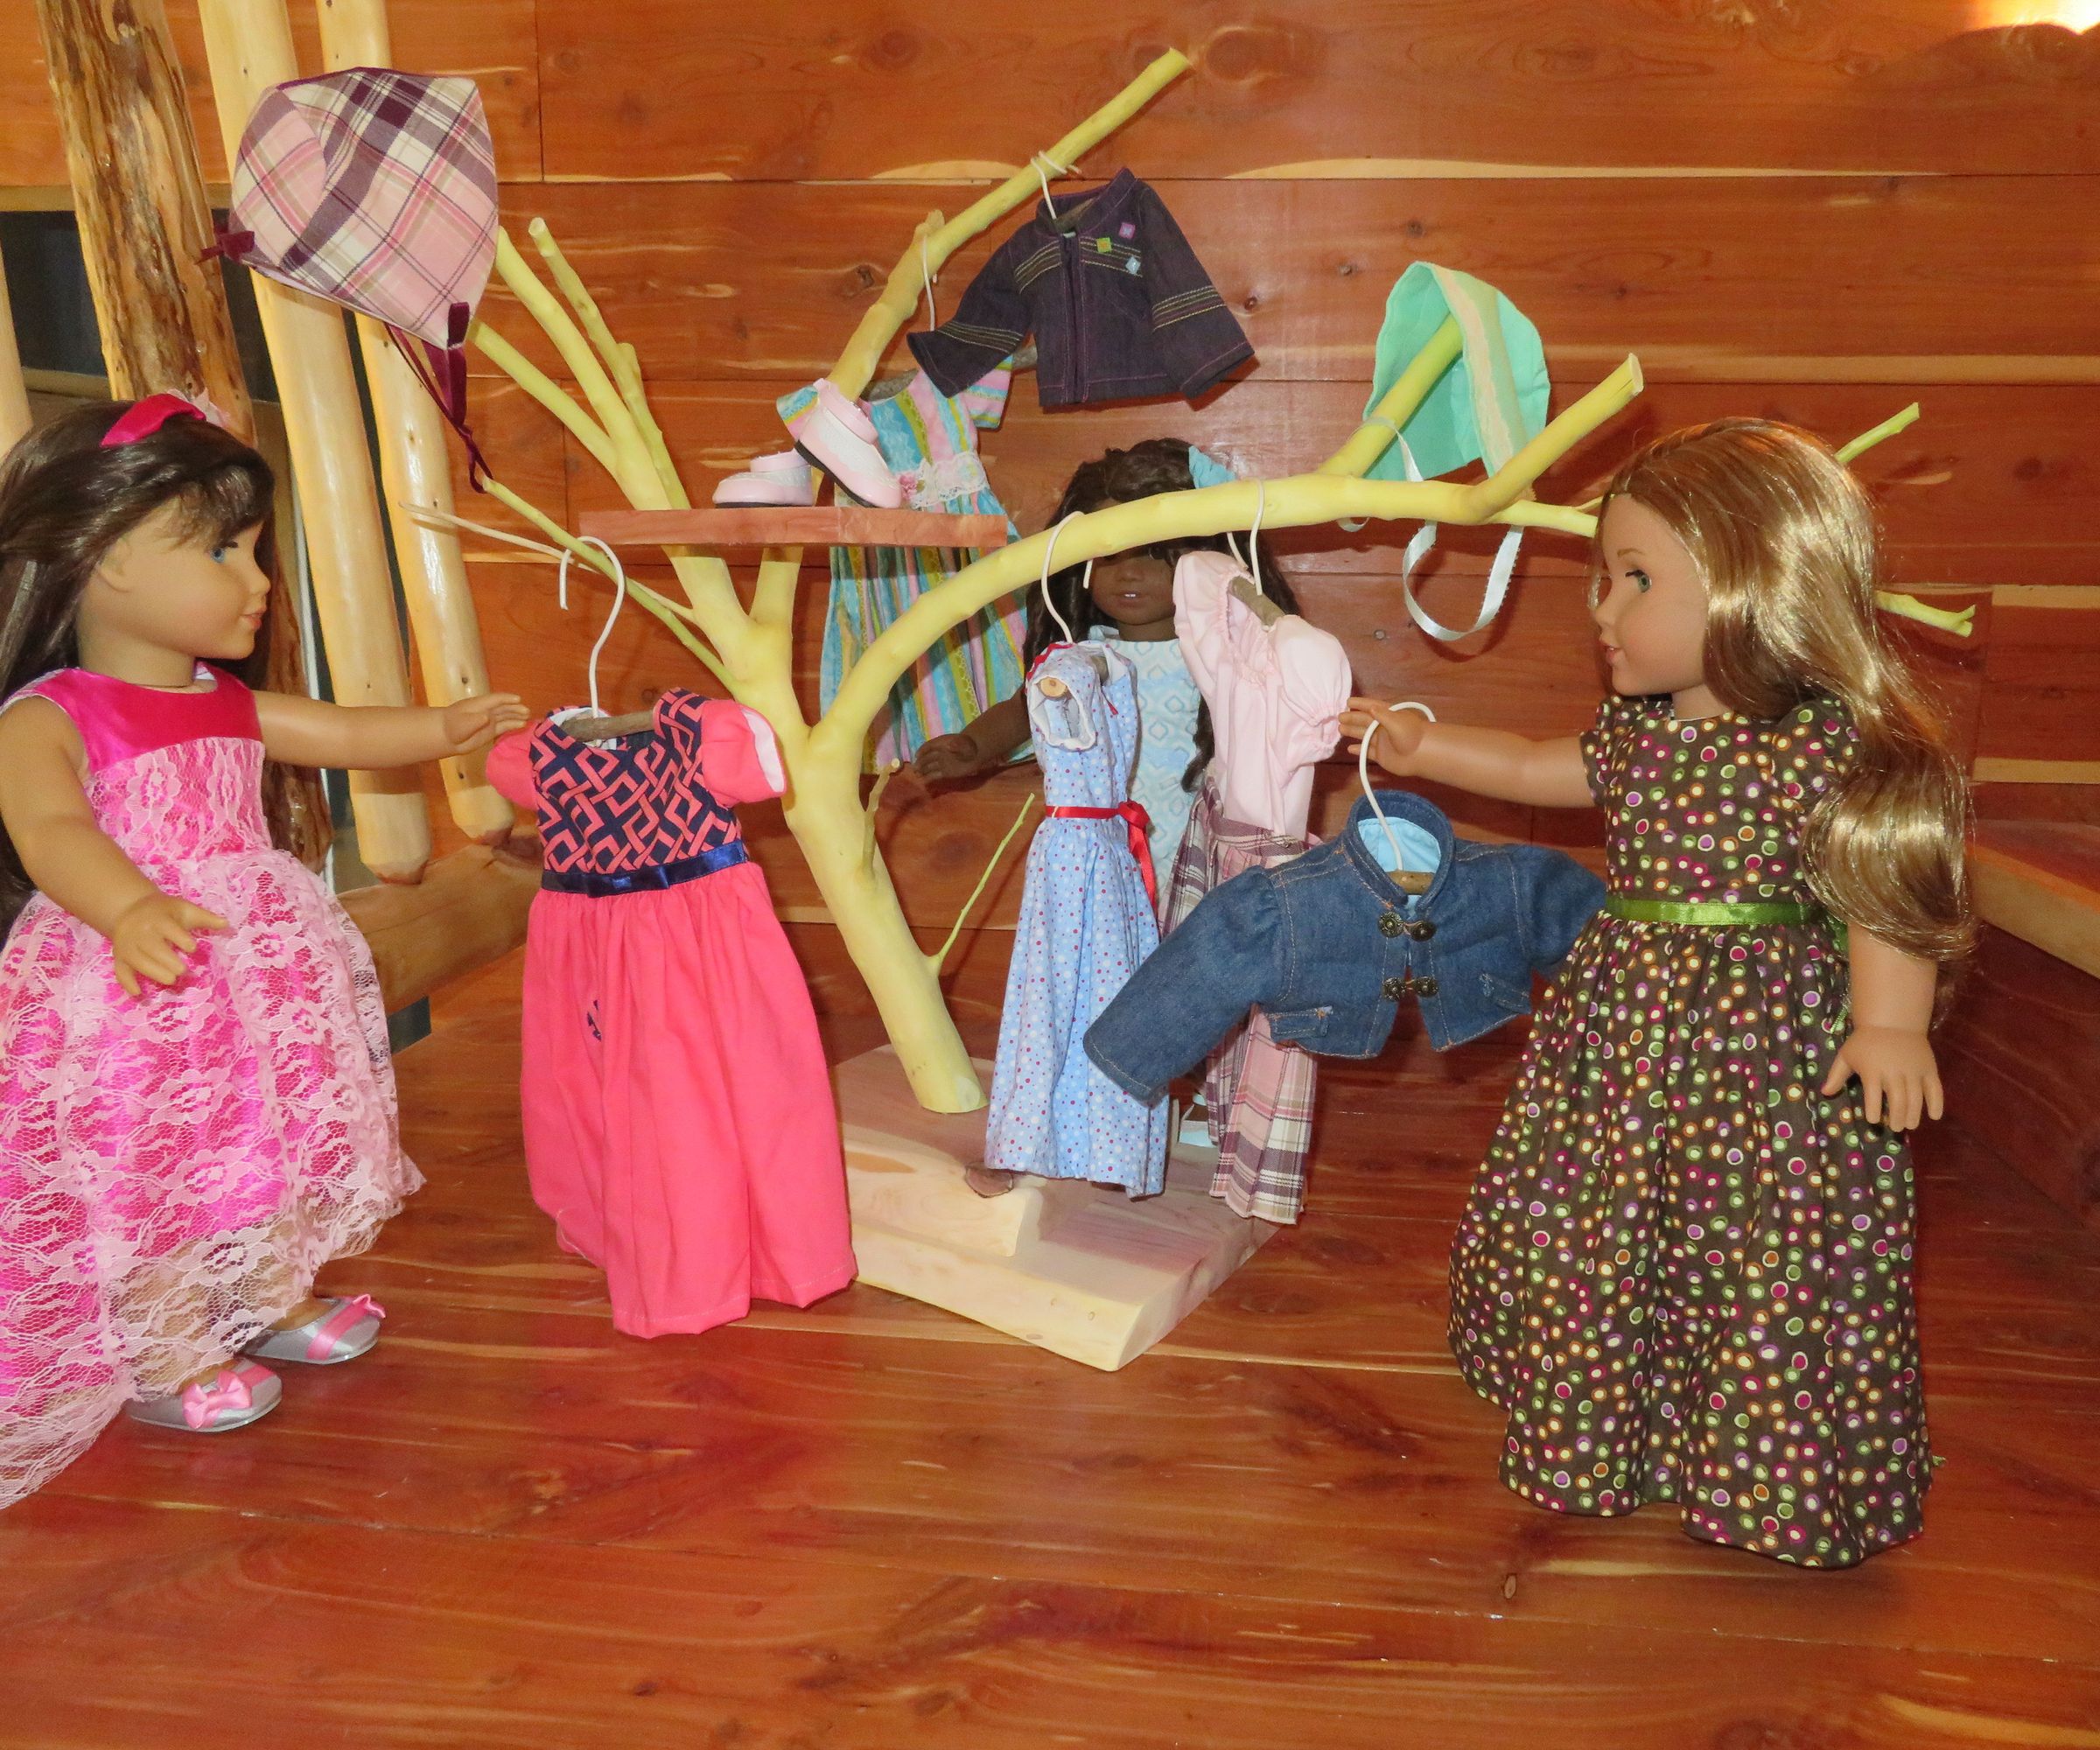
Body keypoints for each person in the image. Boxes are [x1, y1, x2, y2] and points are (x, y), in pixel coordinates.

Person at [1343, 417, 1971, 1567]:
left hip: (1769, 1054)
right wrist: (1424, 747)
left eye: (1637, 578)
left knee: (1758, 1242)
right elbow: (1537, 765)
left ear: (1756, 581)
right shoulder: (1635, 738)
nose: (1603, 610)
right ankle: (1605, 1411)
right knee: (1606, 1217)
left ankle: (1754, 1441)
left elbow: (1879, 891)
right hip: (1623, 1039)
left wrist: (1891, 1020)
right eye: (1603, 576)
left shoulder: (1828, 752)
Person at [0, 396, 525, 1507]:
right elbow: (52, 831)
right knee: (150, 1165)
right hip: (133, 984)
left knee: (268, 1131)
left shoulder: (218, 700)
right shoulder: (50, 715)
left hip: (244, 971)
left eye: (255, 548)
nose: (257, 579)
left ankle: (267, 1293)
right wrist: (128, 903)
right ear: (103, 558)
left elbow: (333, 730)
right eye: (223, 550)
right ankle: (169, 1339)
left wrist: (442, 728)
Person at [910, 438, 1299, 891]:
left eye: (1155, 552)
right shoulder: (1086, 660)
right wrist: (975, 746)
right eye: (1108, 554)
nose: (1128, 572)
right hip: (1106, 847)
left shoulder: (1223, 654)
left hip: (1203, 843)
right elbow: (1025, 708)